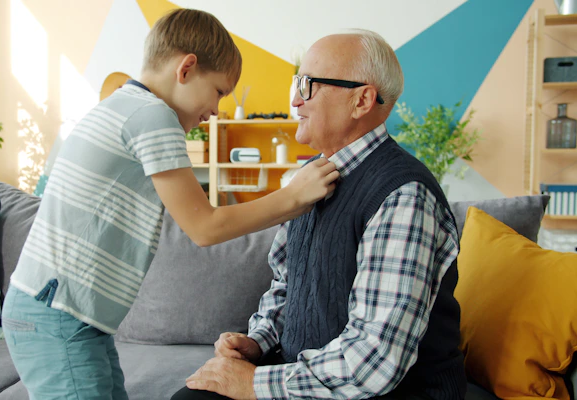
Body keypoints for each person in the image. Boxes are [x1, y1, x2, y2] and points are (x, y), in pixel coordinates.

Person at [0, 9, 340, 400]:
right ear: (187, 68)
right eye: (218, 92)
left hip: (62, 312)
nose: (215, 112)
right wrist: (294, 195)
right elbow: (205, 227)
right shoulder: (152, 116)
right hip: (59, 313)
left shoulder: (124, 106)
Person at [174, 29, 467, 400]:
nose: (295, 100)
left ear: (362, 101)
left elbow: (373, 361)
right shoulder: (309, 178)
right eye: (296, 84)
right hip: (311, 377)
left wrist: (253, 383)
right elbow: (287, 284)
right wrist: (259, 342)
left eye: (308, 84)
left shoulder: (403, 195)